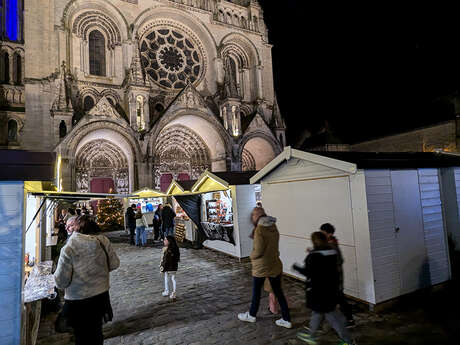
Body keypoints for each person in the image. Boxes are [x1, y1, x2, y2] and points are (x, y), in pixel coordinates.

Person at [54, 215, 120, 345]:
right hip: (100, 296)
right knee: (96, 332)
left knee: (81, 336)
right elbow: (114, 264)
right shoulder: (103, 241)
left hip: (79, 301)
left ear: (77, 227)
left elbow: (61, 282)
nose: (68, 228)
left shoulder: (69, 248)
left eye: (71, 225)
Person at [293, 232, 354, 345]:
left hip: (318, 292)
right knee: (317, 314)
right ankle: (311, 336)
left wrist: (296, 267)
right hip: (331, 289)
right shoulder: (332, 253)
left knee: (334, 317)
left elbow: (309, 272)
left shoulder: (314, 257)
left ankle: (347, 341)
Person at [238, 207, 292, 329]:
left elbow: (258, 250)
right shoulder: (273, 227)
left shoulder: (260, 230)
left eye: (253, 215)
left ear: (258, 216)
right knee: (278, 292)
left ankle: (251, 315)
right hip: (274, 263)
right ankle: (286, 319)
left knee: (256, 292)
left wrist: (251, 256)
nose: (252, 217)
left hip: (261, 266)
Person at [320, 223, 355, 328]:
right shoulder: (329, 244)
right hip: (333, 278)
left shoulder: (332, 245)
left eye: (323, 233)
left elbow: (338, 261)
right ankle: (347, 319)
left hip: (334, 278)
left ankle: (348, 320)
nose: (321, 234)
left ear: (329, 234)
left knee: (337, 299)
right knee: (338, 299)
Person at [160, 235, 180, 300]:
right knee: (169, 278)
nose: (164, 241)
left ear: (169, 241)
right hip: (173, 266)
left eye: (165, 240)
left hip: (170, 266)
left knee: (172, 278)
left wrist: (162, 267)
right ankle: (168, 290)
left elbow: (166, 260)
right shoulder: (172, 248)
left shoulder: (169, 250)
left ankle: (172, 292)